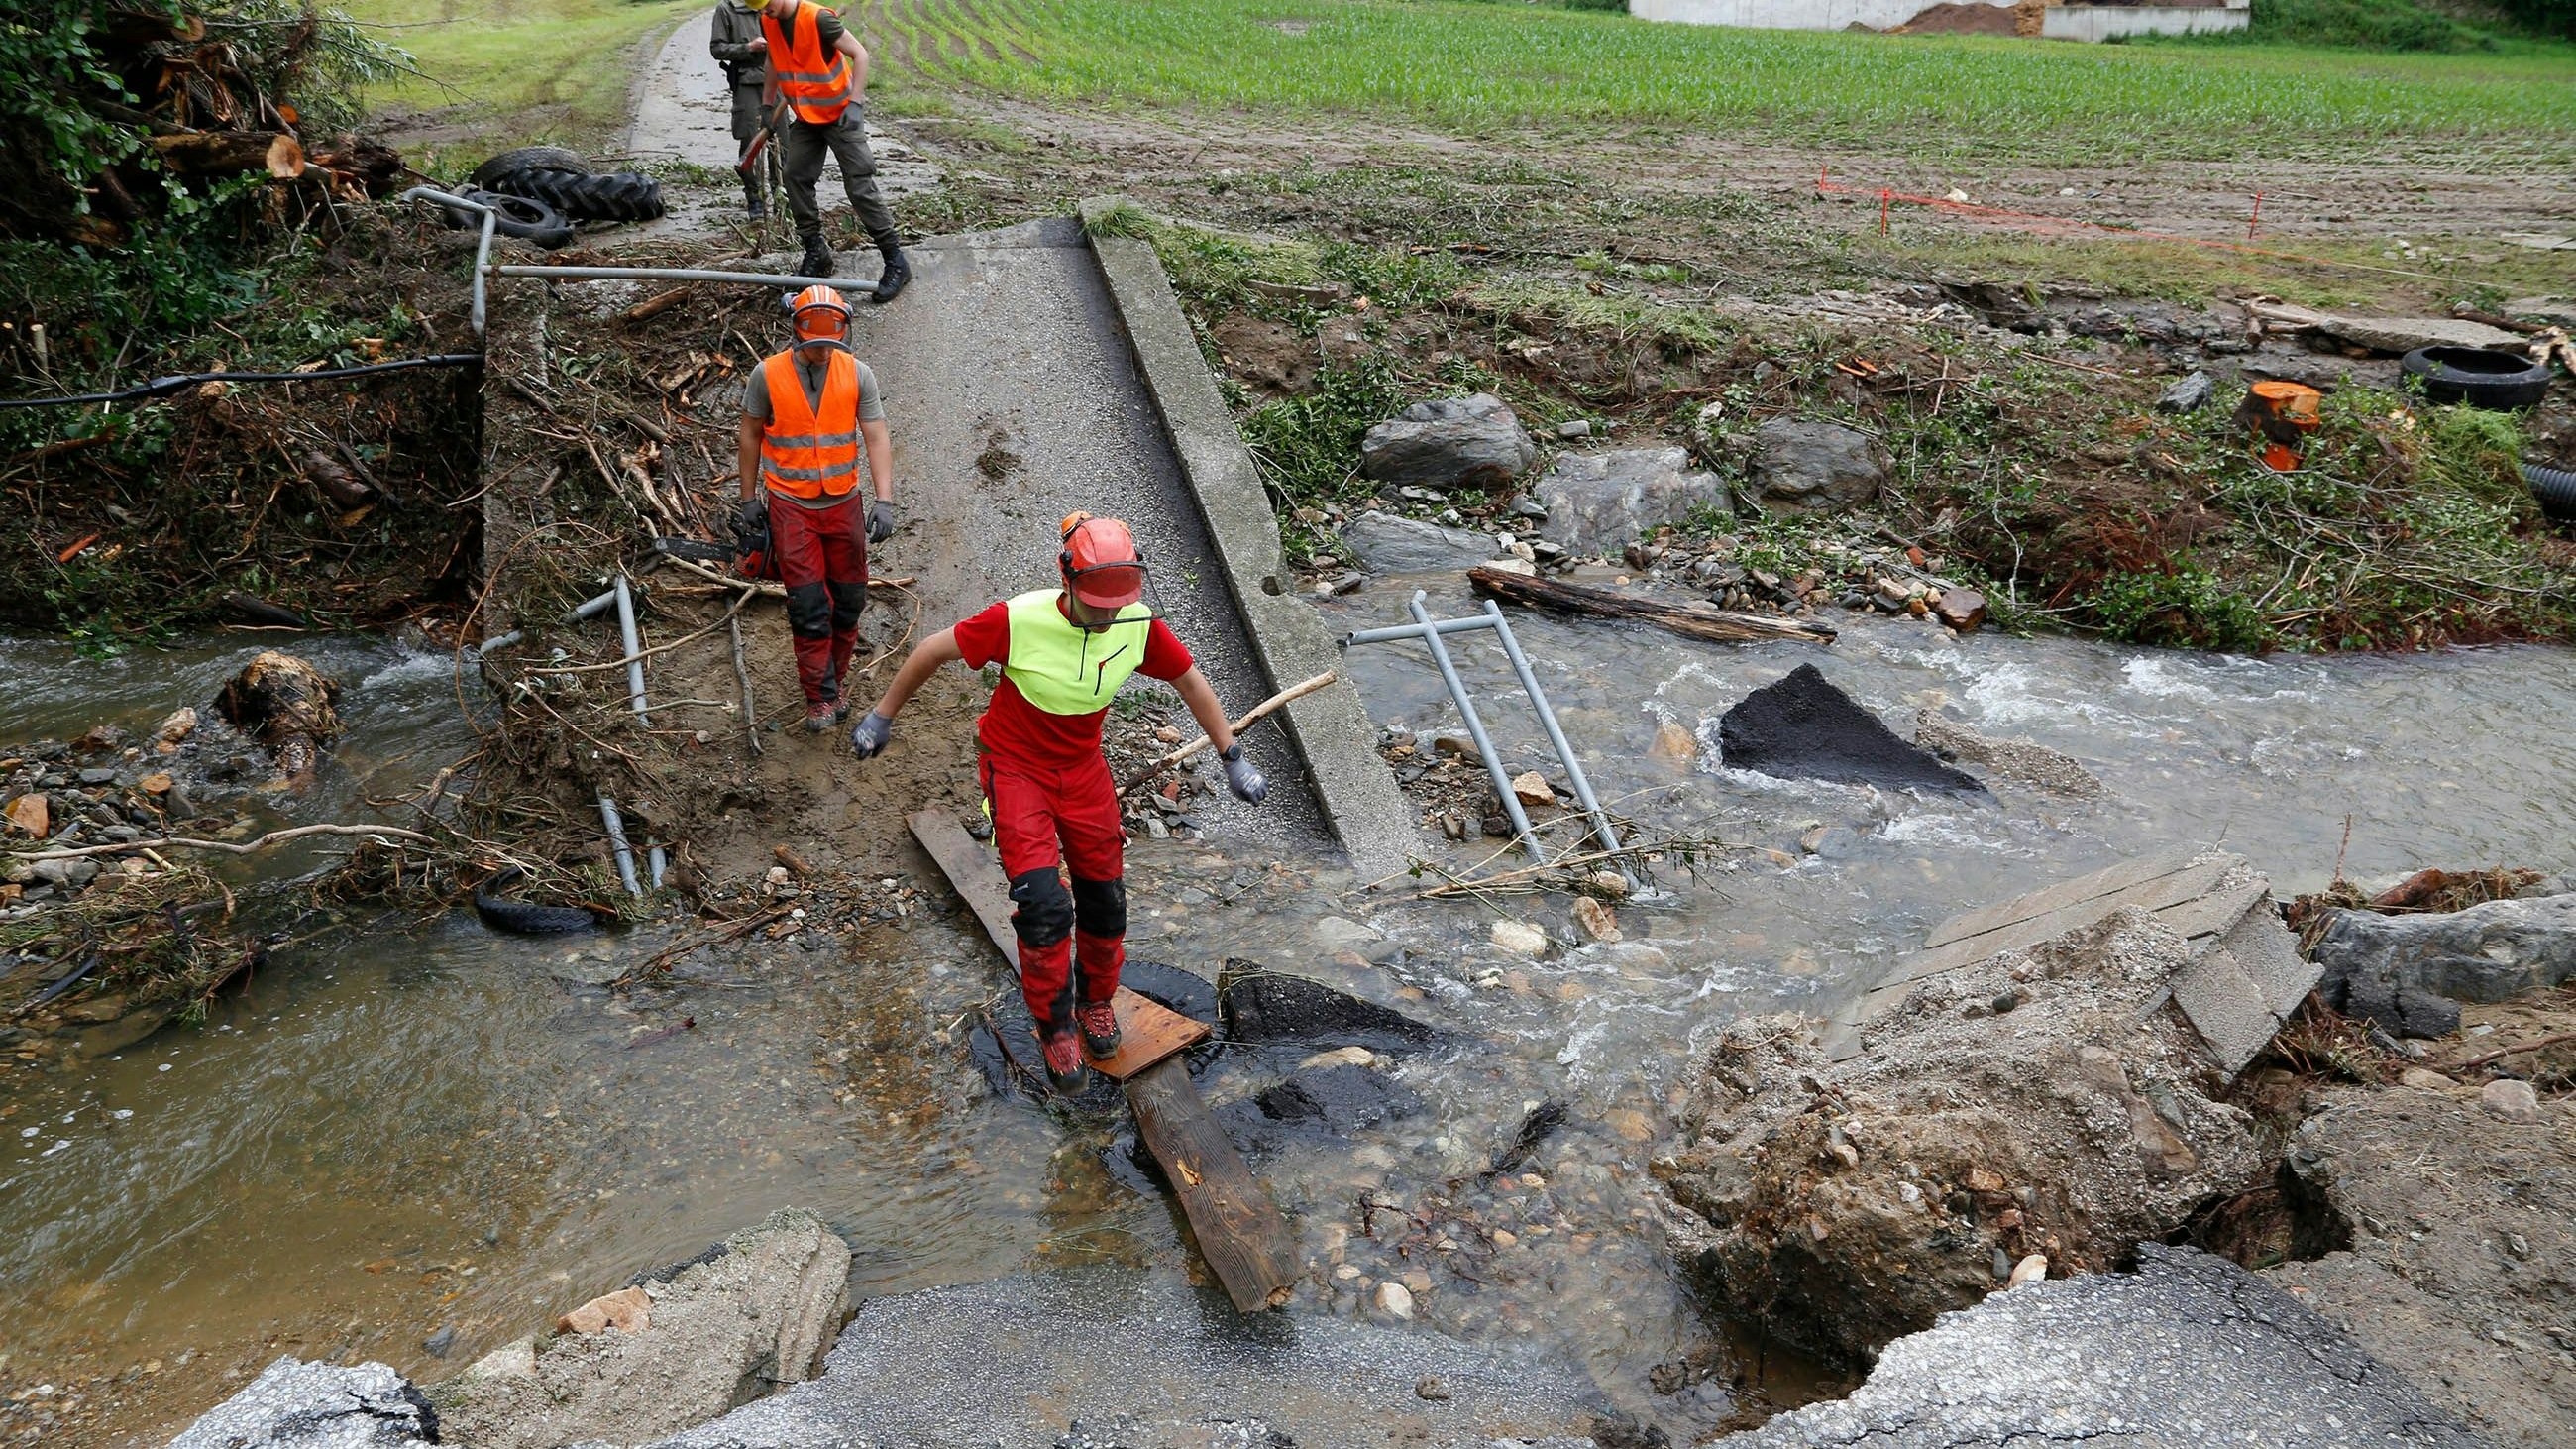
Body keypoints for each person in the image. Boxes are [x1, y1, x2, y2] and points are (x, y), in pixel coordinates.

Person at [850, 515, 1270, 1092]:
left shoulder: (1137, 626)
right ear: (1066, 580)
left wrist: (1232, 755)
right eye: (1096, 605)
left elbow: (1191, 680)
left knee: (1104, 898)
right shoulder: (1015, 620)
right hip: (1016, 771)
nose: (1106, 618)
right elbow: (931, 650)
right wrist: (883, 715)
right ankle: (1054, 1027)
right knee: (1045, 906)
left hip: (1083, 771)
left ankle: (1096, 1001)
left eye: (1116, 606)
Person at [737, 283, 897, 731]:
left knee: (849, 600)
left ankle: (836, 680)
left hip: (843, 502)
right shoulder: (766, 375)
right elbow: (750, 435)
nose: (824, 352)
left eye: (832, 344)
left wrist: (884, 500)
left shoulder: (858, 373)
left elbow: (877, 434)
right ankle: (820, 697)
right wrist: (749, 499)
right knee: (808, 604)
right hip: (791, 505)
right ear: (796, 333)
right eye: (816, 345)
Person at [741, 0, 909, 302]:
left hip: (841, 115)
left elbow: (860, 55)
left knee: (859, 185)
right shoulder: (769, 21)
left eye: (766, 6)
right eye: (759, 9)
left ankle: (895, 259)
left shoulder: (818, 19)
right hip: (807, 117)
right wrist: (767, 105)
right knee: (794, 177)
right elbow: (774, 64)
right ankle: (817, 251)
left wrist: (856, 104)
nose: (764, 13)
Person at [706, 0, 770, 220]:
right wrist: (748, 48)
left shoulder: (771, 4)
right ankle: (754, 197)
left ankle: (785, 196)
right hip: (746, 81)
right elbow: (717, 48)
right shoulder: (726, 9)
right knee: (750, 139)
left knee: (784, 141)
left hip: (776, 79)